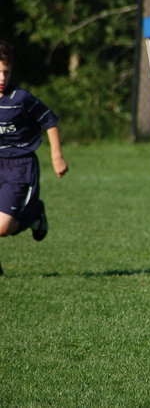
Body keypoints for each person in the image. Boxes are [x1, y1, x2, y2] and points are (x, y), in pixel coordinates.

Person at [0, 40, 69, 275]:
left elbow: (49, 120)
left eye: (6, 72)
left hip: (19, 166)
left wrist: (57, 157)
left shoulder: (20, 99)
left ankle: (35, 215)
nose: (2, 78)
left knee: (3, 228)